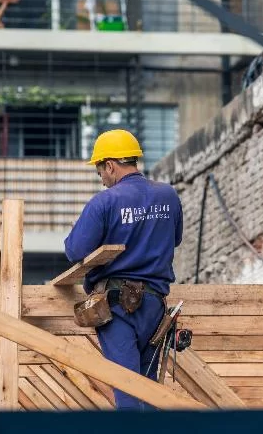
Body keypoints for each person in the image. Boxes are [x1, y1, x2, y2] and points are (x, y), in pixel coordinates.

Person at [64, 128, 183, 410]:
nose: (103, 181)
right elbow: (175, 239)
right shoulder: (167, 195)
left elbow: (74, 251)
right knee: (148, 388)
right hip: (155, 305)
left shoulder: (105, 202)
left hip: (118, 308)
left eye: (100, 174)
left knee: (127, 389)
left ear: (110, 165)